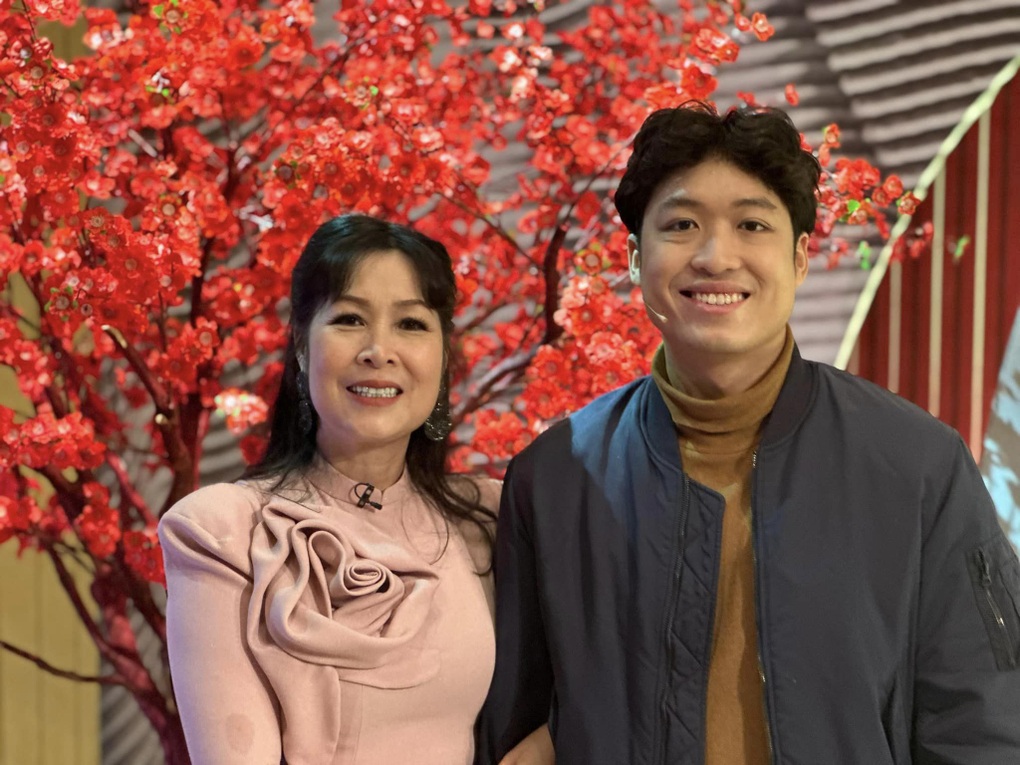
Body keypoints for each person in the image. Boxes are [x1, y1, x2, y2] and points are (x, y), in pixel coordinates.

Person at [477, 102, 1020, 764]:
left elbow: (983, 722)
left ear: (799, 258)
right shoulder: (557, 477)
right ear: (635, 258)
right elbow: (516, 724)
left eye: (751, 224)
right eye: (681, 225)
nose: (716, 256)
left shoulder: (917, 465)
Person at [160, 214, 552, 764]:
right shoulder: (220, 530)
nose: (379, 350)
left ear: (443, 356)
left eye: (411, 324)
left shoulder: (487, 516)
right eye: (349, 319)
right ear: (301, 347)